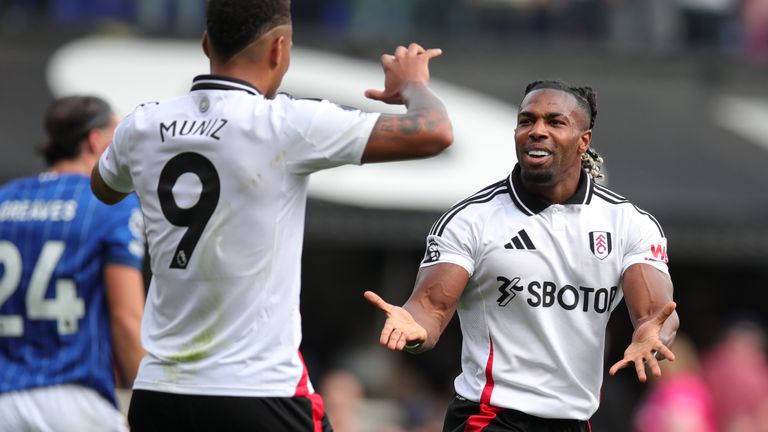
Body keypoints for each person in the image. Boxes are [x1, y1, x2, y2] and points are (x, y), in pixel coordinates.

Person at [89, 0, 453, 430]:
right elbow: (435, 132)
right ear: (279, 49)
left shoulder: (143, 126)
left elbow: (104, 186)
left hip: (160, 394)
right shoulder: (285, 123)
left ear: (207, 43)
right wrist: (413, 85)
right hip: (256, 392)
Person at [365, 79, 679, 431]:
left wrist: (654, 334)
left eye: (554, 122)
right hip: (490, 417)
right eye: (527, 120)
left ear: (583, 141)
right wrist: (414, 330)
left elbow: (655, 313)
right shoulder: (473, 218)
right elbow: (430, 308)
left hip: (573, 420)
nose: (536, 131)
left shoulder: (627, 223)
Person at [0, 96, 146, 432]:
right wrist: (148, 406)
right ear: (95, 141)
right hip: (75, 402)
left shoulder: (5, 199)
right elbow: (126, 320)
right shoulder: (109, 204)